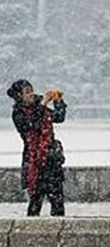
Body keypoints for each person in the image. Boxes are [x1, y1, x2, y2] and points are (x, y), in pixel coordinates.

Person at [8, 80, 66, 216]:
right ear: (19, 96)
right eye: (27, 92)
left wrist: (58, 101)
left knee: (57, 200)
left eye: (31, 90)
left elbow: (59, 117)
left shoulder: (41, 108)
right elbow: (32, 123)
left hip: (51, 159)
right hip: (34, 162)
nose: (31, 94)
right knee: (35, 202)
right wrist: (43, 103)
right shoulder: (18, 114)